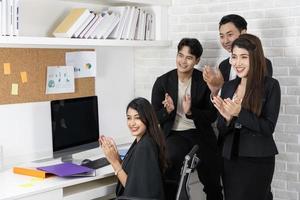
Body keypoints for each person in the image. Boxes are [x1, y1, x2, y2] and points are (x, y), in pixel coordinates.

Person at [151, 38, 223, 200]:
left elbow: (212, 116)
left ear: (197, 60)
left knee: (213, 180)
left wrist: (191, 111)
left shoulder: (203, 82)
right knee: (170, 168)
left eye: (189, 58)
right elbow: (154, 117)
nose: (183, 61)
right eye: (180, 55)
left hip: (200, 133)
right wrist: (167, 111)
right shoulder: (162, 82)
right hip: (174, 134)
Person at [212, 33, 280, 200]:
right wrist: (227, 118)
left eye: (244, 57)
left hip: (257, 158)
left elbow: (268, 127)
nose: (237, 63)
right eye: (234, 57)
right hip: (230, 158)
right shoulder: (228, 87)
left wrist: (239, 113)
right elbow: (222, 128)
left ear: (255, 58)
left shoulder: (270, 86)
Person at [99, 97, 167, 200]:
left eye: (137, 118)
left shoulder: (144, 147)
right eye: (129, 118)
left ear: (147, 118)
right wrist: (115, 156)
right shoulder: (144, 140)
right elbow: (134, 174)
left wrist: (114, 163)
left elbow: (133, 191)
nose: (132, 123)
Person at [203, 14, 273, 95]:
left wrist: (221, 86)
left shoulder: (263, 63)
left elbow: (260, 99)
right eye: (222, 36)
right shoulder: (223, 65)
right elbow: (218, 104)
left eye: (230, 35)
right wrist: (215, 90)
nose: (225, 41)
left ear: (243, 33)